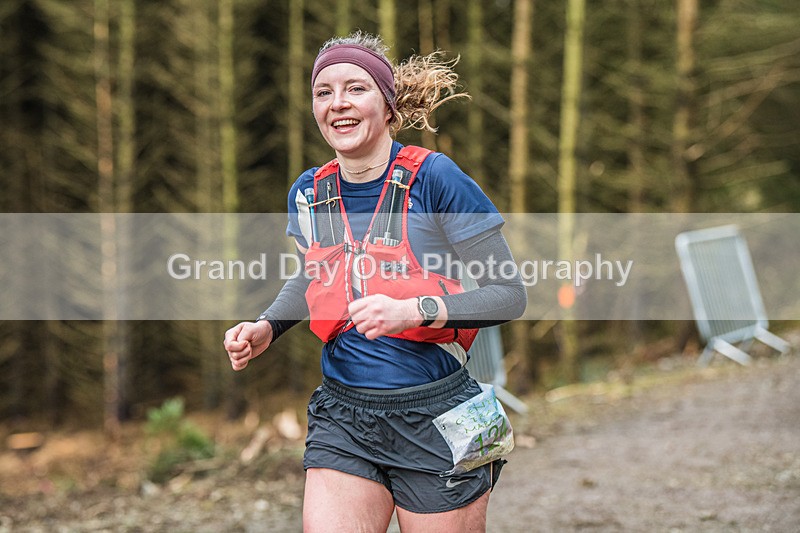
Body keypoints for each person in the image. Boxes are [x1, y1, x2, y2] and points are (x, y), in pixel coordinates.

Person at [224, 31, 526, 532]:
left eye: (355, 88)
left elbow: (509, 295)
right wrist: (267, 327)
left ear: (388, 106)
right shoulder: (308, 193)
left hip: (438, 414)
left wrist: (414, 311)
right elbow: (317, 278)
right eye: (324, 92)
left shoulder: (436, 178)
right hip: (344, 415)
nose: (337, 104)